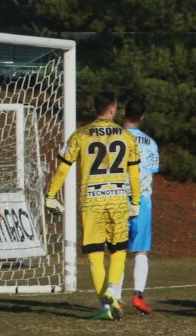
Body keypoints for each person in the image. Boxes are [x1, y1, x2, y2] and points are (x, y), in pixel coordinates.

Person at [45, 92, 141, 321]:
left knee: (95, 255)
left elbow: (63, 169)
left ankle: (105, 306)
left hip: (92, 199)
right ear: (112, 110)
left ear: (94, 108)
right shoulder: (127, 137)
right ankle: (112, 289)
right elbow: (134, 174)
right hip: (117, 199)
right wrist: (135, 202)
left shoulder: (80, 135)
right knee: (118, 251)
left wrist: (50, 195)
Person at [113, 99, 159, 314]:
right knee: (140, 251)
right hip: (142, 200)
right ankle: (138, 296)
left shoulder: (114, 139)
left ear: (124, 113)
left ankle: (114, 297)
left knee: (118, 249)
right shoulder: (150, 143)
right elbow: (151, 170)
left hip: (117, 198)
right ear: (142, 117)